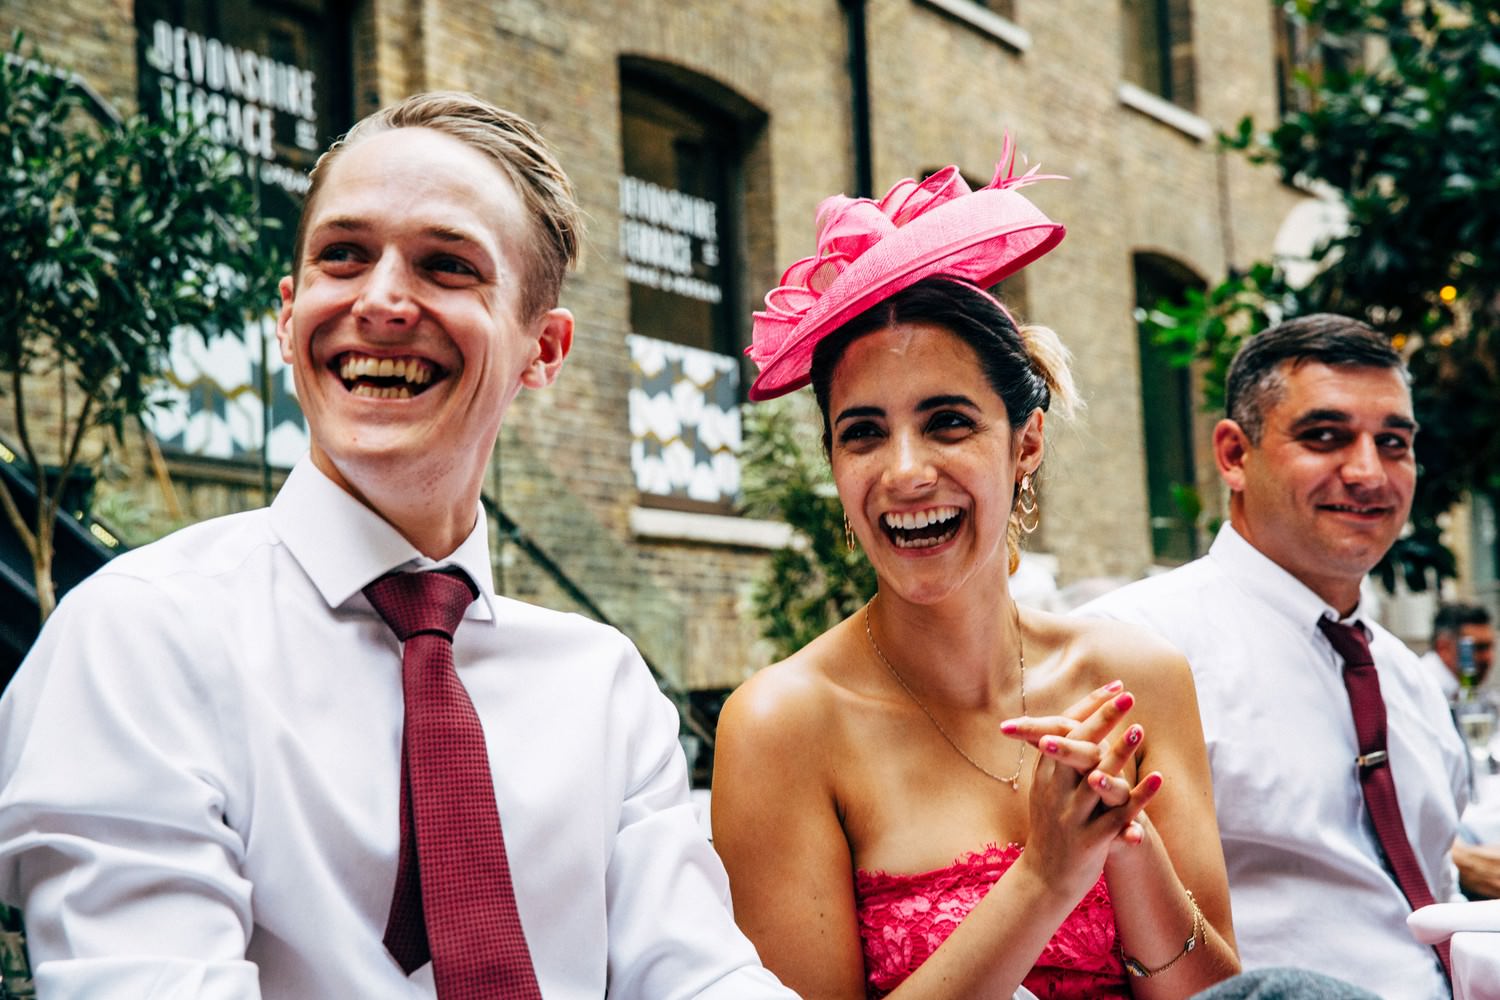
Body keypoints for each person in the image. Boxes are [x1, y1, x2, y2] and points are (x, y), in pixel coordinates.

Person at [0, 92, 794, 999]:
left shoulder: (605, 689)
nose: (379, 301)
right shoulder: (140, 637)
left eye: (446, 265)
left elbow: (700, 979)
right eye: (343, 255)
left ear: (545, 350)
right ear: (289, 312)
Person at [711, 151, 1244, 999]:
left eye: (948, 422)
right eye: (863, 434)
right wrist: (1044, 878)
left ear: (1025, 443)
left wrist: (1125, 846)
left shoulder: (1139, 683)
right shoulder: (781, 727)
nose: (905, 471)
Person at [1078, 314, 1468, 998]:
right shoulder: (1129, 646)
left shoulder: (1409, 681)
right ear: (1233, 455)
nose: (1368, 471)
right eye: (1325, 437)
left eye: (1394, 443)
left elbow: (1437, 885)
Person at [1423, 601, 1496, 704]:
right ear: (1444, 648)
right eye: (1479, 648)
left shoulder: (1466, 686)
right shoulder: (1422, 688)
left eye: (1490, 647)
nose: (1488, 657)